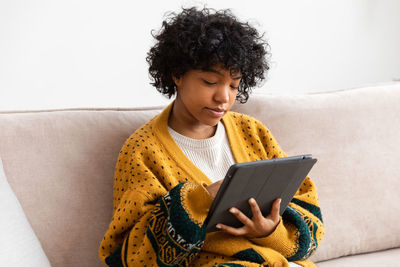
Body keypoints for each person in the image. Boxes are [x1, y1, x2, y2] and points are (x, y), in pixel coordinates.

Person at [99, 6, 325, 267]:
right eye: (209, 82)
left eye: (234, 85)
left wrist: (269, 230)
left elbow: (308, 212)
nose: (224, 98)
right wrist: (200, 200)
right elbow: (131, 255)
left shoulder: (252, 132)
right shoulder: (142, 151)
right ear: (177, 74)